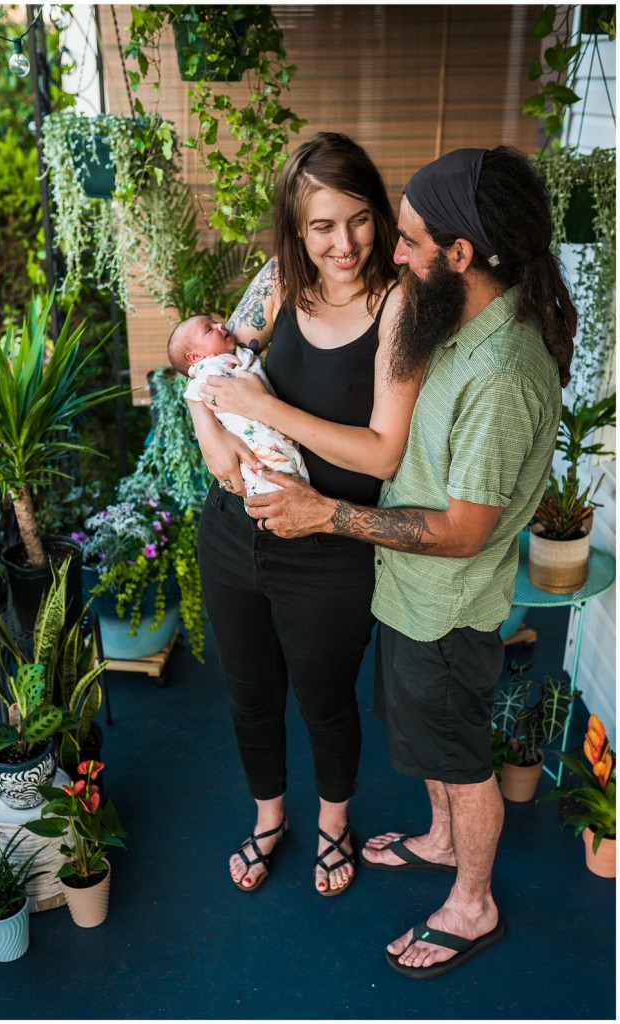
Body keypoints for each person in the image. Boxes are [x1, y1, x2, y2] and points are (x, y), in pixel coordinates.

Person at [233, 146, 576, 973]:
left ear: (461, 255)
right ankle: (438, 842)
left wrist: (328, 513)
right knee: (430, 750)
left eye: (412, 240)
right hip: (409, 594)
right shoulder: (457, 315)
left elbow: (462, 531)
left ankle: (473, 901)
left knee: (461, 763)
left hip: (447, 605)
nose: (393, 251)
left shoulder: (502, 374)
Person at [187, 132, 422, 896]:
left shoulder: (398, 304)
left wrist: (266, 410)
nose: (343, 243)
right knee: (250, 692)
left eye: (356, 219)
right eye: (321, 227)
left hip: (328, 545)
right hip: (233, 532)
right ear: (295, 229)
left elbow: (384, 454)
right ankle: (268, 819)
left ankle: (331, 824)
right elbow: (209, 365)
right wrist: (213, 437)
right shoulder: (279, 280)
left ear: (376, 215)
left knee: (325, 699)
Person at [167, 315, 309, 496]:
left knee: (290, 471)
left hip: (275, 427)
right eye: (209, 329)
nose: (220, 325)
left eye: (214, 323)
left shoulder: (237, 356)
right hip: (248, 442)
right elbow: (195, 391)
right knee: (268, 478)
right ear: (196, 356)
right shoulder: (208, 370)